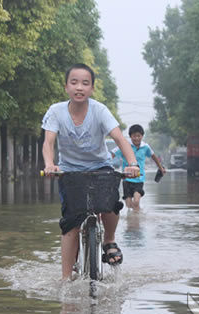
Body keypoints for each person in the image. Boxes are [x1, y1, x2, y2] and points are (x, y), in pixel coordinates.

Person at [42, 63, 140, 280]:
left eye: (85, 83)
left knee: (111, 202)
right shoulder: (55, 111)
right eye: (74, 82)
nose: (79, 87)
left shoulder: (100, 110)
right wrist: (50, 164)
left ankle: (109, 240)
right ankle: (66, 278)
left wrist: (133, 163)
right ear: (66, 86)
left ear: (92, 88)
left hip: (100, 167)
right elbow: (48, 142)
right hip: (69, 171)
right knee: (71, 224)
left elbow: (119, 138)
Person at [111, 124, 166, 211]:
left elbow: (154, 157)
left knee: (136, 201)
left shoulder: (145, 147)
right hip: (126, 179)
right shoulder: (125, 145)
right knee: (129, 205)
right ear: (130, 136)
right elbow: (112, 154)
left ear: (142, 136)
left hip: (139, 179)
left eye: (138, 136)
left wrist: (161, 168)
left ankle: (137, 219)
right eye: (134, 136)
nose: (136, 138)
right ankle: (135, 218)